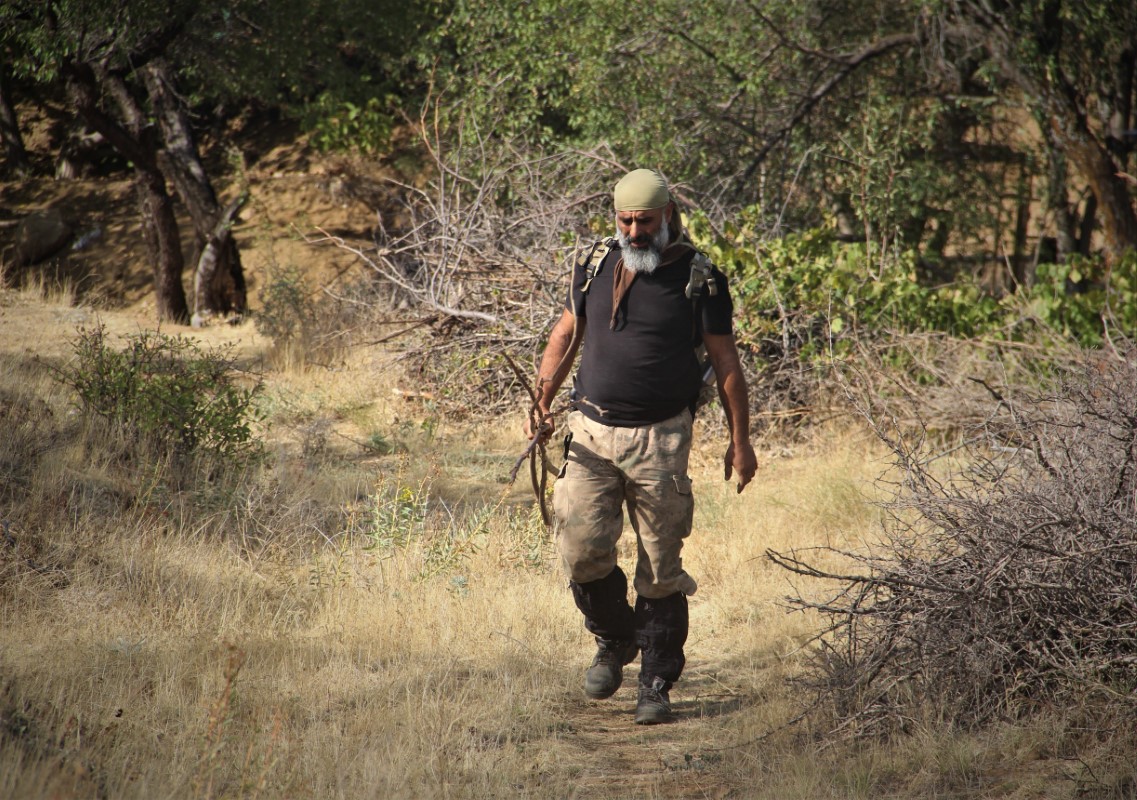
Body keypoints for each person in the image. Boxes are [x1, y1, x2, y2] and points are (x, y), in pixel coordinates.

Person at [525, 168, 757, 724]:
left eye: (645, 221)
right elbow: (565, 335)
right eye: (626, 220)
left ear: (667, 215)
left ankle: (655, 683)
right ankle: (615, 638)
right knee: (580, 550)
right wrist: (542, 402)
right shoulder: (593, 265)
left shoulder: (701, 278)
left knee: (660, 565)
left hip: (661, 438)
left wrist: (741, 441)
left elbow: (725, 361)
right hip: (590, 432)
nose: (634, 231)